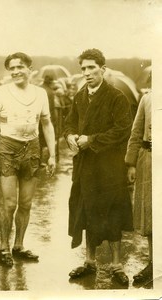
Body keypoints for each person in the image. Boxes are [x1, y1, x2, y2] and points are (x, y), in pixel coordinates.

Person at [0, 52, 56, 267]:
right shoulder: (1, 92)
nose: (15, 71)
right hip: (8, 149)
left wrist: (52, 155)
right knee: (10, 202)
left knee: (26, 202)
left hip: (31, 148)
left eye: (19, 67)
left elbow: (47, 124)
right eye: (11, 68)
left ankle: (19, 246)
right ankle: (3, 247)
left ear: (30, 69)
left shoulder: (40, 93)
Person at [64, 48, 133, 285]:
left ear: (102, 69)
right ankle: (90, 262)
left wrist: (91, 140)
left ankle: (116, 265)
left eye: (92, 67)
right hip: (85, 165)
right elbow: (69, 122)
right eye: (83, 68)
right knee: (86, 209)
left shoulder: (116, 97)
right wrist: (70, 136)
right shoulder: (80, 96)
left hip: (110, 166)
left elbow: (122, 129)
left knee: (113, 212)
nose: (87, 72)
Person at [125, 91, 152, 284]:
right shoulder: (147, 98)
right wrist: (131, 163)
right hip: (149, 159)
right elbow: (136, 132)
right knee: (150, 211)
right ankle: (154, 262)